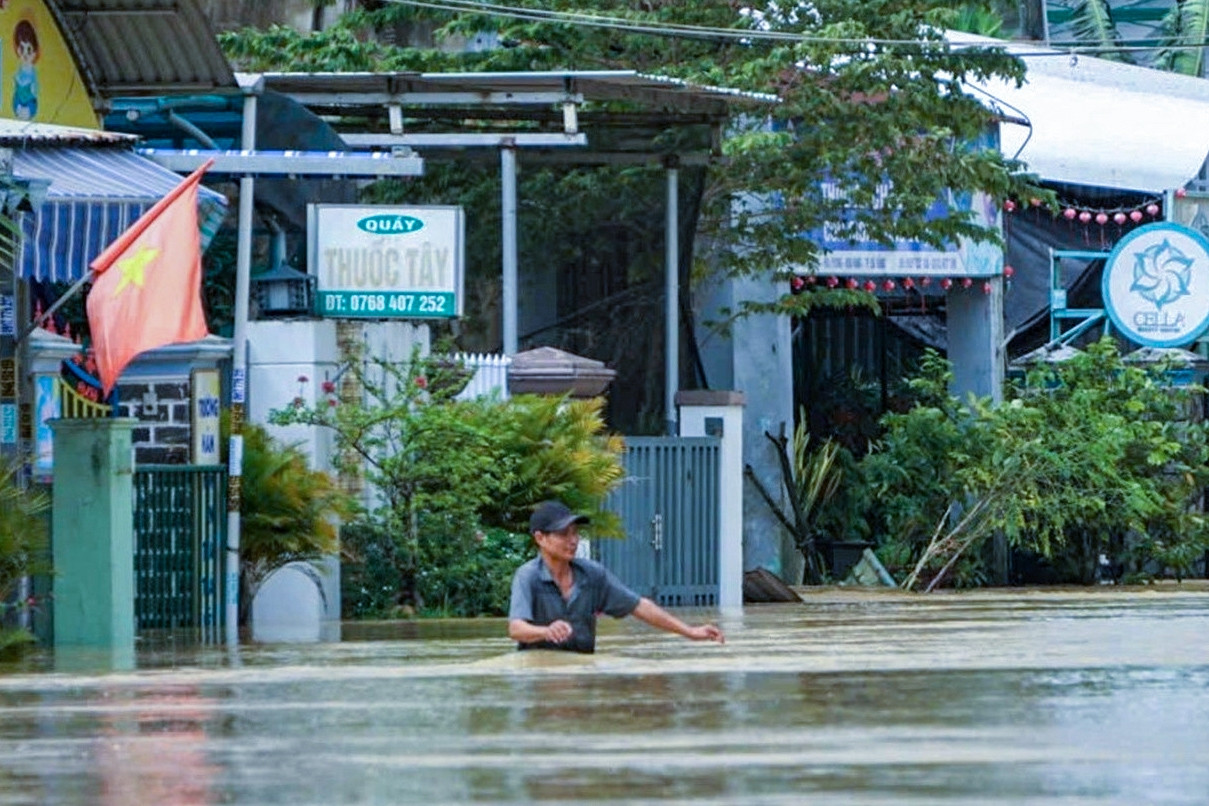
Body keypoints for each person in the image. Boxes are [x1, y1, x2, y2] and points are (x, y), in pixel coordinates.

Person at [508, 500, 725, 653]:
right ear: (540, 538)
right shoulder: (527, 577)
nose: (573, 540)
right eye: (564, 534)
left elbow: (639, 606)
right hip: (539, 673)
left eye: (575, 533)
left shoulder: (592, 575)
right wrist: (546, 632)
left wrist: (690, 632)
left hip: (583, 673)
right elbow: (516, 629)